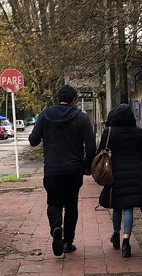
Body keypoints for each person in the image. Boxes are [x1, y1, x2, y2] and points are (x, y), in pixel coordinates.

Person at [28, 85, 96, 256]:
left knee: (53, 202)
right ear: (74, 101)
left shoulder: (45, 115)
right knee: (71, 204)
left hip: (52, 169)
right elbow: (91, 144)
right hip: (74, 170)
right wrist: (87, 166)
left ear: (58, 98)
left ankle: (56, 228)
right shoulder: (81, 118)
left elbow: (33, 141)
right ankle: (68, 242)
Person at [97, 103, 142, 258]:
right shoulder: (138, 132)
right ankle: (126, 242)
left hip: (115, 173)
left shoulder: (109, 132)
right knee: (128, 207)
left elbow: (100, 152)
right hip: (135, 172)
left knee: (117, 205)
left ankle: (116, 234)